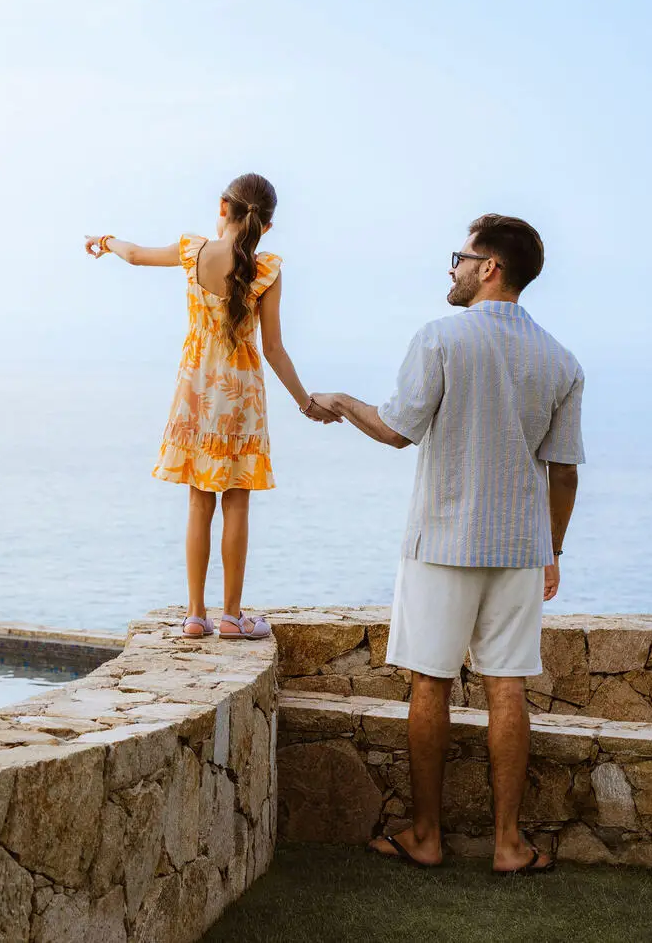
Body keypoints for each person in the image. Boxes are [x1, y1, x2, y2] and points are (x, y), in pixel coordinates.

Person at [311, 214, 584, 875]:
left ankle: (427, 836)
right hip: (520, 547)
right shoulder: (560, 360)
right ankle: (510, 845)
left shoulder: (439, 339)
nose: (454, 269)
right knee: (508, 687)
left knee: (430, 683)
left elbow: (398, 430)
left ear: (490, 266)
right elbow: (565, 469)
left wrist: (343, 402)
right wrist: (553, 550)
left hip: (442, 540)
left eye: (460, 257)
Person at [85, 173, 339, 641]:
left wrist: (104, 240)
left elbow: (137, 256)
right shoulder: (268, 271)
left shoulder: (193, 251)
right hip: (241, 395)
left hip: (196, 388)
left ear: (224, 206)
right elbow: (275, 350)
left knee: (198, 501)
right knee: (236, 500)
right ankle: (232, 614)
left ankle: (195, 616)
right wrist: (305, 403)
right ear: (266, 225)